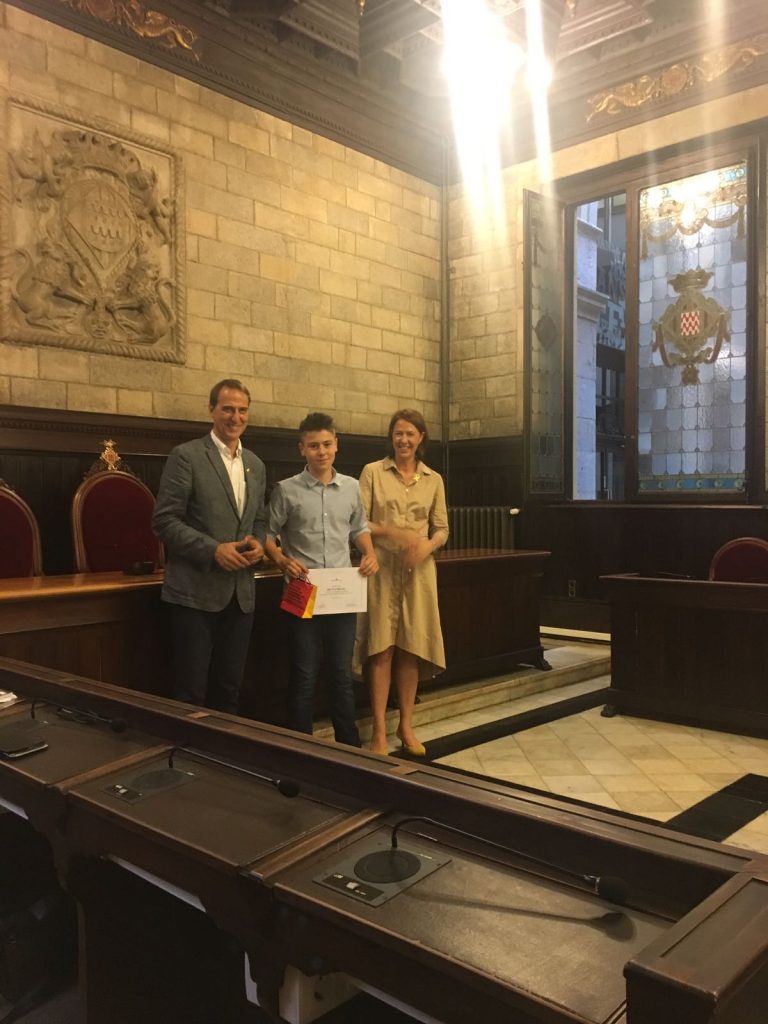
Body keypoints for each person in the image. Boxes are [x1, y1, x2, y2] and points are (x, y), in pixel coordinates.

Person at [152, 379, 266, 714]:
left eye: (242, 410)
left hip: (240, 595)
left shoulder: (256, 464)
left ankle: (224, 749)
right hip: (194, 593)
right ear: (211, 410)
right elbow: (164, 521)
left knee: (229, 691)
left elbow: (259, 519)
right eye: (228, 409)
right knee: (191, 695)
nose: (235, 417)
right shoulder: (187, 456)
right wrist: (213, 549)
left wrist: (259, 543)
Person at [265, 412, 378, 746]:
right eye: (314, 446)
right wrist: (282, 561)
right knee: (304, 673)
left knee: (341, 674)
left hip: (343, 595)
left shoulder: (351, 488)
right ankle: (302, 747)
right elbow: (267, 536)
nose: (321, 451)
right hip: (302, 592)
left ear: (336, 445)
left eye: (327, 444)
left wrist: (369, 553)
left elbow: (359, 528)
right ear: (302, 448)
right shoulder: (286, 490)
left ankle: (349, 747)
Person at [355, 409, 448, 756]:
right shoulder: (373, 473)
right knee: (381, 648)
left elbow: (442, 529)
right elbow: (358, 521)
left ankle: (406, 725)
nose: (404, 440)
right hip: (381, 569)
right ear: (391, 437)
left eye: (410, 434)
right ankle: (379, 731)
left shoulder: (433, 479)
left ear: (420, 438)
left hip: (419, 572)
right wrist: (393, 533)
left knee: (411, 649)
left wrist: (425, 546)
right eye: (398, 433)